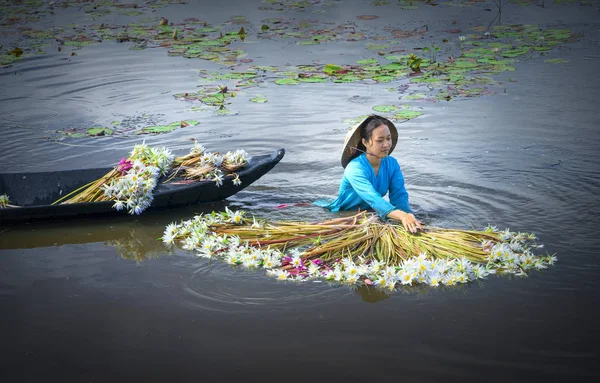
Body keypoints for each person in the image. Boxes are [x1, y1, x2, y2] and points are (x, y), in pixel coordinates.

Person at [314, 115, 423, 233]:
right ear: (365, 142)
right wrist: (402, 216)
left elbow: (399, 195)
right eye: (380, 140)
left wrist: (409, 215)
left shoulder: (392, 164)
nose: (386, 144)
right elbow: (374, 199)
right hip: (346, 216)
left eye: (388, 138)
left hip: (370, 213)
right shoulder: (354, 168)